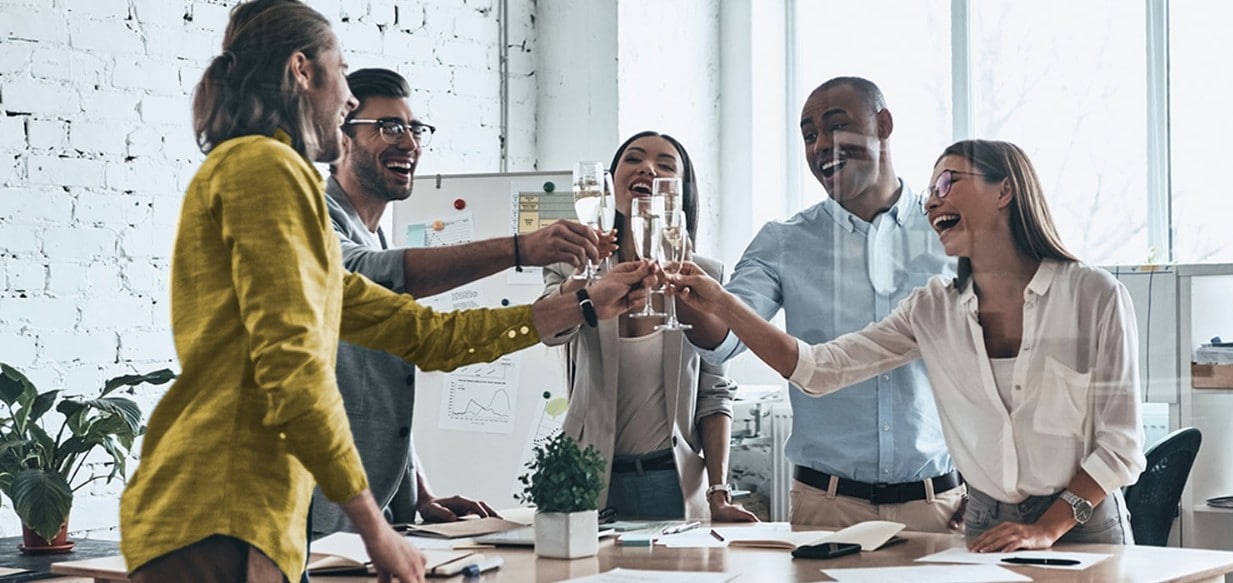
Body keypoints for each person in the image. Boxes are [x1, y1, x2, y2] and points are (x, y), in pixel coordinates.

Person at [118, 2, 654, 582]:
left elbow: (424, 336)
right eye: (341, 70)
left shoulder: (263, 175)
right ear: (302, 70)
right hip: (218, 509)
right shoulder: (265, 167)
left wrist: (579, 306)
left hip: (246, 517)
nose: (348, 99)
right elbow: (292, 366)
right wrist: (374, 528)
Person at [673, 138, 1146, 551]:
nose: (932, 202)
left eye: (947, 183)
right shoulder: (933, 308)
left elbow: (1121, 445)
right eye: (929, 194)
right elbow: (818, 371)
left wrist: (1046, 527)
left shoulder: (1093, 295)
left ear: (1005, 189)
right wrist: (723, 302)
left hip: (1080, 520)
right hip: (984, 521)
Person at [309, 67, 611, 537]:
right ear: (341, 137)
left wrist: (417, 490)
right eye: (389, 127)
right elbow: (367, 277)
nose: (409, 143)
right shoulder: (315, 219)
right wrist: (519, 249)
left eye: (414, 129)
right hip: (321, 517)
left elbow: (375, 387)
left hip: (382, 509)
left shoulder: (373, 232)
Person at [681, 77, 963, 531]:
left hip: (940, 506)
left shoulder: (950, 234)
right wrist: (681, 288)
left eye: (836, 126)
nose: (821, 145)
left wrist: (986, 485)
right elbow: (722, 341)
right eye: (809, 135)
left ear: (884, 124)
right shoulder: (783, 242)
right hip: (825, 507)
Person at [539, 131, 757, 522]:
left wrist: (719, 491)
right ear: (611, 180)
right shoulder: (572, 266)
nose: (647, 168)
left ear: (680, 192)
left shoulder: (704, 276)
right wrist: (586, 280)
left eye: (665, 165)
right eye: (634, 159)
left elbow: (715, 393)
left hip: (670, 480)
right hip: (588, 476)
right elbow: (549, 331)